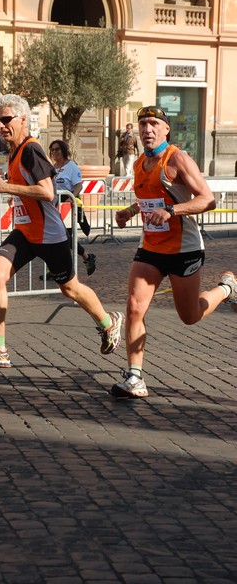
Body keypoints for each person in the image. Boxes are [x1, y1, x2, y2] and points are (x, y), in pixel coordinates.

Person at [0, 93, 124, 368]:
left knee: (71, 288)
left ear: (23, 120)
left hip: (49, 235)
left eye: (7, 119)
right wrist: (13, 192)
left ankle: (108, 322)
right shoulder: (14, 151)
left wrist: (7, 187)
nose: (1, 126)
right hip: (26, 233)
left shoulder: (31, 149)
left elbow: (47, 191)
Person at [112, 105, 237, 399]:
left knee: (189, 315)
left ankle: (226, 288)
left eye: (154, 123)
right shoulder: (140, 162)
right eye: (143, 124)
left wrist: (173, 211)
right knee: (133, 307)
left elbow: (208, 200)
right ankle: (135, 377)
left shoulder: (178, 158)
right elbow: (149, 200)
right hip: (151, 248)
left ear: (166, 129)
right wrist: (130, 211)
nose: (147, 129)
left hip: (185, 248)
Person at [47, 139, 96, 276]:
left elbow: (79, 185)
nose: (55, 152)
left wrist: (72, 197)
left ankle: (78, 262)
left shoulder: (72, 167)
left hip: (70, 204)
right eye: (52, 150)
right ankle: (58, 268)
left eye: (57, 149)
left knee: (66, 237)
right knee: (56, 237)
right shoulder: (52, 168)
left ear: (63, 150)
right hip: (56, 206)